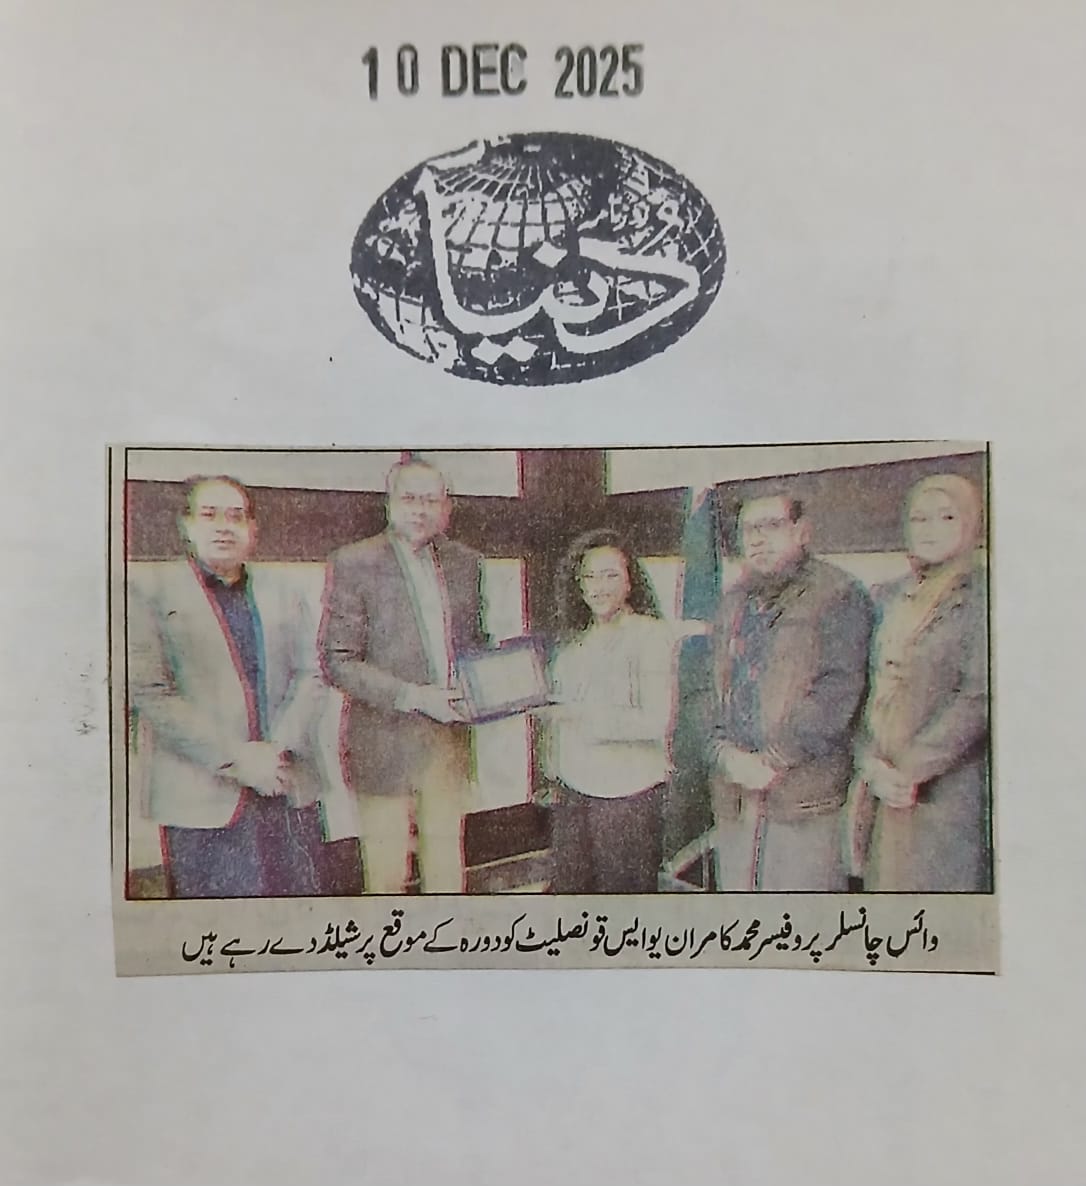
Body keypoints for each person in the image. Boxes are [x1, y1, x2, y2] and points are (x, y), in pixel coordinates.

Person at [127, 476, 337, 897]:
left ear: (253, 529)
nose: (224, 527)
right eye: (210, 515)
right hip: (203, 797)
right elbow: (151, 693)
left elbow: (312, 672)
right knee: (219, 924)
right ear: (187, 525)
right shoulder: (149, 593)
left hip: (285, 785)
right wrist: (240, 759)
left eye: (236, 516)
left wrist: (275, 751)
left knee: (297, 917)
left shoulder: (285, 590)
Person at [319, 459, 487, 893]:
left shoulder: (466, 563)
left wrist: (484, 688)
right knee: (387, 875)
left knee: (447, 872)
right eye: (409, 498)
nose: (420, 510)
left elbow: (474, 643)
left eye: (431, 500)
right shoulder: (354, 562)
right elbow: (338, 661)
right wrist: (414, 696)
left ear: (447, 507)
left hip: (447, 741)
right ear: (390, 503)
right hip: (383, 741)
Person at [710, 494, 873, 891]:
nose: (758, 539)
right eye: (749, 529)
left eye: (772, 526)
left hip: (802, 799)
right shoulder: (733, 600)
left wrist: (774, 758)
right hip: (736, 794)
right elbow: (710, 687)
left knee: (801, 916)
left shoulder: (838, 594)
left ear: (802, 532)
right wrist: (723, 753)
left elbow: (838, 691)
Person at [846, 474, 990, 892]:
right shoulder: (888, 596)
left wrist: (910, 769)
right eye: (919, 519)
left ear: (971, 522)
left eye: (947, 517)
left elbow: (977, 697)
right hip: (880, 787)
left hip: (941, 794)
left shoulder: (983, 597)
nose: (930, 530)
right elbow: (869, 688)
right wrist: (871, 763)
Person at [540, 529, 678, 894]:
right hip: (575, 791)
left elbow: (657, 720)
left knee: (622, 906)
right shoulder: (573, 642)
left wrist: (582, 716)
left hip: (628, 794)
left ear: (631, 581)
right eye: (589, 577)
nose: (599, 587)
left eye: (610, 575)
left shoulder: (651, 636)